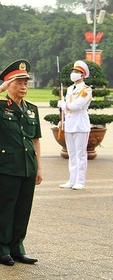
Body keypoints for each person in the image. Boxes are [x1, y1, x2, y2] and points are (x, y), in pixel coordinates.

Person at [0, 59, 42, 266]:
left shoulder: (31, 109)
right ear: (8, 84)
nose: (23, 87)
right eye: (18, 83)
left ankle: (17, 247)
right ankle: (2, 249)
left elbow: (35, 140)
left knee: (23, 209)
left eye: (26, 83)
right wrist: (0, 88)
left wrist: (39, 167)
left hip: (27, 166)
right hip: (6, 167)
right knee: (6, 209)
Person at [58, 60, 93, 190]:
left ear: (82, 75)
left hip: (80, 124)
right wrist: (62, 119)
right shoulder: (69, 89)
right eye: (73, 71)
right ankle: (72, 180)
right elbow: (67, 109)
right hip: (70, 124)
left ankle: (80, 181)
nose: (74, 74)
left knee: (80, 154)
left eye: (77, 72)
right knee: (71, 154)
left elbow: (76, 106)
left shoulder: (86, 90)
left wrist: (63, 104)